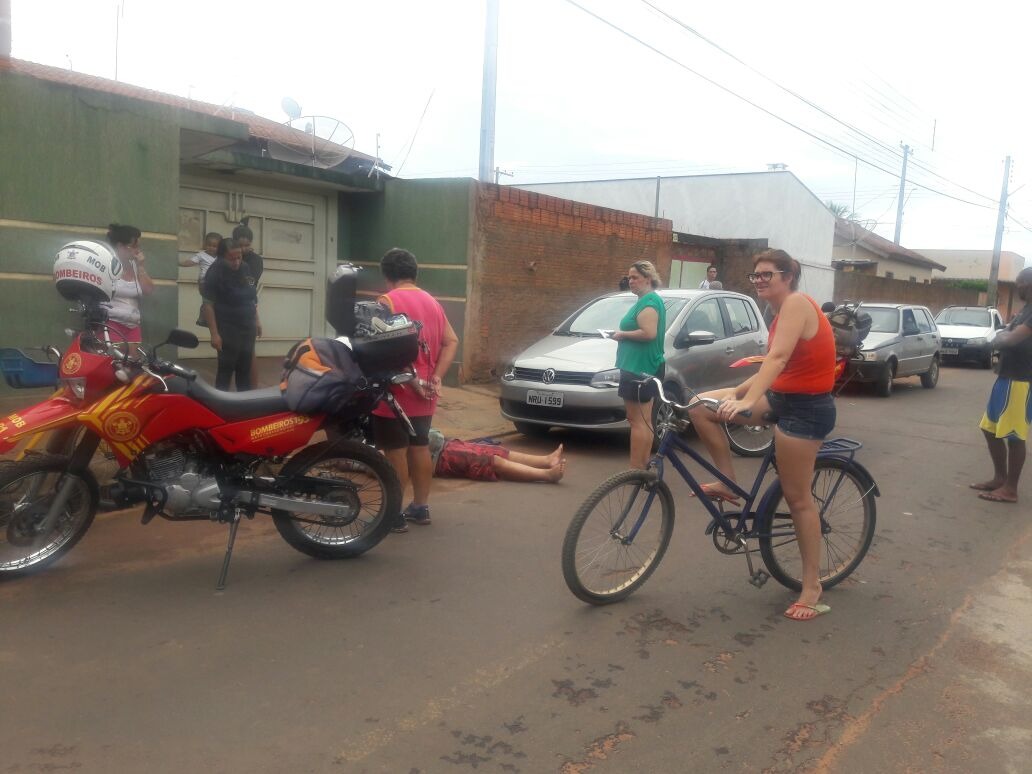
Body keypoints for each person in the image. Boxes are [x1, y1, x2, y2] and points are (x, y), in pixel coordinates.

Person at [688, 248, 836, 622]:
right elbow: (774, 368)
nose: (759, 281)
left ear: (788, 276)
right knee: (698, 406)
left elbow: (779, 358)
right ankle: (727, 482)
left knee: (797, 497)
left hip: (807, 409)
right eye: (756, 275)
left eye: (766, 274)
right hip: (781, 396)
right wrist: (740, 390)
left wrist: (746, 400)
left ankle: (812, 586)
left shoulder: (798, 303)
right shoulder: (778, 310)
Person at [370, 248, 460, 533]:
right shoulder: (433, 303)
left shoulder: (386, 301)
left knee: (394, 452)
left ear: (387, 276)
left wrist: (410, 380)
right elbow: (451, 341)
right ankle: (420, 507)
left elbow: (383, 351)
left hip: (396, 391)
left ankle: (394, 513)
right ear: (414, 273)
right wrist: (435, 377)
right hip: (426, 392)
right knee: (419, 446)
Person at [970, 267, 1032, 504]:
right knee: (990, 429)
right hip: (1006, 377)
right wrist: (1002, 337)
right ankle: (999, 478)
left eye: (1021, 282)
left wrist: (1001, 339)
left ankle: (1011, 489)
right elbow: (1005, 333)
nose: (1018, 286)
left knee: (1015, 435)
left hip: (1021, 381)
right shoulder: (1025, 310)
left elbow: (1011, 338)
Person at [612, 260, 665, 470]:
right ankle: (642, 466)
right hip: (640, 367)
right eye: (629, 278)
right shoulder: (646, 300)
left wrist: (621, 334)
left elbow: (649, 333)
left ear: (648, 279)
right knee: (643, 419)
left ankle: (636, 469)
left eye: (635, 277)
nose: (630, 281)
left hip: (639, 368)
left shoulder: (649, 302)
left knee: (637, 421)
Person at [202, 238, 262, 391]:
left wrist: (257, 320)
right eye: (231, 259)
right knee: (226, 368)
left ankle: (244, 403)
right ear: (222, 257)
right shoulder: (215, 272)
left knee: (245, 367)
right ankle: (221, 405)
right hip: (227, 327)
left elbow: (251, 298)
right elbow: (208, 305)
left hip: (247, 325)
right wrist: (214, 334)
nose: (236, 262)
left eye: (239, 257)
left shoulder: (246, 268)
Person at [428, 430, 566, 484]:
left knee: (495, 450)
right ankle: (546, 475)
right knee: (490, 462)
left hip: (442, 444)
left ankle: (545, 461)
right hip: (435, 458)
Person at [102, 223, 154, 355]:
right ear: (120, 246)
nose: (138, 250)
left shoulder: (135, 266)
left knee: (133, 364)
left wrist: (141, 267)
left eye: (138, 247)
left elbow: (148, 290)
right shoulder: (106, 265)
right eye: (134, 246)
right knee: (117, 364)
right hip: (111, 323)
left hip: (132, 324)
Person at [232, 224, 264, 386]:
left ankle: (254, 390)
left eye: (247, 245)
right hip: (227, 309)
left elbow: (249, 287)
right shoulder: (227, 257)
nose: (244, 249)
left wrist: (256, 318)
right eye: (240, 245)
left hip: (247, 306)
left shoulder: (256, 261)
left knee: (249, 351)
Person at [179, 231, 221, 327]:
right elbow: (190, 262)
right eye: (209, 245)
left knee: (213, 301)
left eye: (215, 246)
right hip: (205, 282)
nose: (211, 248)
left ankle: (210, 318)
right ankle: (202, 318)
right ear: (205, 245)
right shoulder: (201, 255)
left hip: (216, 282)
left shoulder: (220, 257)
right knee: (206, 300)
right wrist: (179, 263)